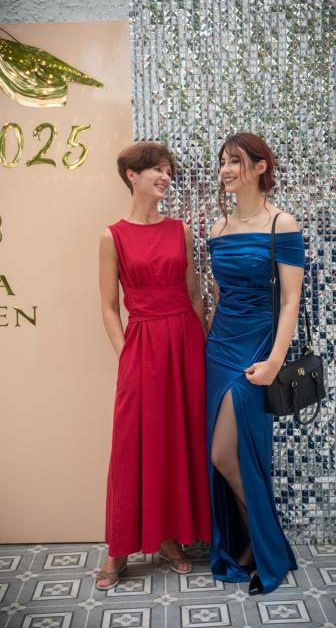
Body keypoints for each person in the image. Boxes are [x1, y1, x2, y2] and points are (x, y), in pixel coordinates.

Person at [96, 141, 211, 590]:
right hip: (141, 345)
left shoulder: (180, 230)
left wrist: (201, 346)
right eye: (157, 170)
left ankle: (169, 538)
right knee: (132, 445)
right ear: (132, 175)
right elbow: (109, 307)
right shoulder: (112, 236)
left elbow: (194, 294)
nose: (165, 177)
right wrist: (124, 352)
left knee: (176, 441)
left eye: (168, 171)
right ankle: (118, 548)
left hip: (185, 342)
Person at [206, 132, 305, 595]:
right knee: (226, 457)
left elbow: (291, 301)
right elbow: (220, 296)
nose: (226, 170)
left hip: (256, 351)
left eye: (235, 161)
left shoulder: (282, 223)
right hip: (218, 350)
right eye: (223, 162)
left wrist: (274, 361)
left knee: (227, 454)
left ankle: (268, 547)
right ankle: (253, 546)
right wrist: (207, 343)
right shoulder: (218, 228)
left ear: (261, 167)